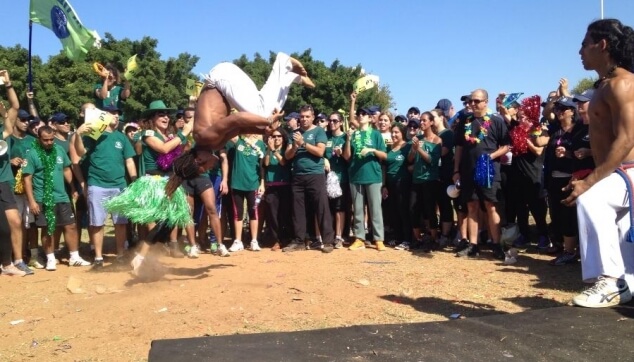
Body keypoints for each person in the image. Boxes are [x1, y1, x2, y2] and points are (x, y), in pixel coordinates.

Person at [563, 19, 634, 308]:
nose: (580, 51)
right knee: (620, 230)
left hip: (628, 171)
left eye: (584, 44)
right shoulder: (606, 85)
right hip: (618, 172)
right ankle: (625, 283)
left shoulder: (623, 83)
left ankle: (611, 280)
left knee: (592, 198)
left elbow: (627, 138)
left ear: (601, 45)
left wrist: (591, 180)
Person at [194, 53, 314, 151]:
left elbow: (237, 118)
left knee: (264, 117)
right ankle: (289, 77)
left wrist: (269, 121)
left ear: (199, 161)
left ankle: (283, 62)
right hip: (224, 80)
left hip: (221, 77)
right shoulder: (214, 145)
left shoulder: (204, 138)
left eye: (203, 169)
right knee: (268, 112)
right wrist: (263, 131)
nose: (209, 168)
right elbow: (239, 129)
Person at [74, 105, 137, 269]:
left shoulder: (121, 137)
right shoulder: (94, 134)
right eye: (113, 113)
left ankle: (121, 256)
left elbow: (129, 160)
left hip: (119, 185)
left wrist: (135, 180)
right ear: (104, 115)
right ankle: (99, 258)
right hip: (97, 184)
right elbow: (80, 153)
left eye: (118, 114)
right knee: (97, 223)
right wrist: (78, 134)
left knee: (121, 222)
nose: (116, 116)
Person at [23, 126, 91, 270]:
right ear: (39, 139)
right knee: (48, 228)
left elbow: (66, 169)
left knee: (71, 225)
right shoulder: (33, 154)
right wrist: (32, 201)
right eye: (45, 140)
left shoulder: (59, 150)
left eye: (51, 139)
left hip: (62, 196)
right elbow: (27, 179)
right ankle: (50, 258)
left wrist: (72, 188)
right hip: (43, 197)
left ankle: (74, 256)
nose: (49, 142)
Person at [453, 89, 509, 260]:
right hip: (468, 171)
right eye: (471, 101)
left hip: (489, 170)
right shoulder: (464, 121)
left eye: (477, 101)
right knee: (472, 206)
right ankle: (473, 245)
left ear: (486, 101)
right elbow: (459, 148)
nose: (473, 104)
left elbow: (506, 146)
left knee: (490, 206)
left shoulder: (496, 121)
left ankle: (496, 244)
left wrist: (490, 157)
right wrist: (456, 170)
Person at [282, 105, 335, 253]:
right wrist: (294, 147)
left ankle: (328, 241)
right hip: (298, 175)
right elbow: (287, 156)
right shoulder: (295, 133)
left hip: (315, 175)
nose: (304, 119)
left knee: (322, 207)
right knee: (297, 210)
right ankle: (299, 241)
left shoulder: (318, 131)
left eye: (307, 116)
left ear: (312, 117)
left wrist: (303, 144)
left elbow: (320, 151)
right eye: (302, 116)